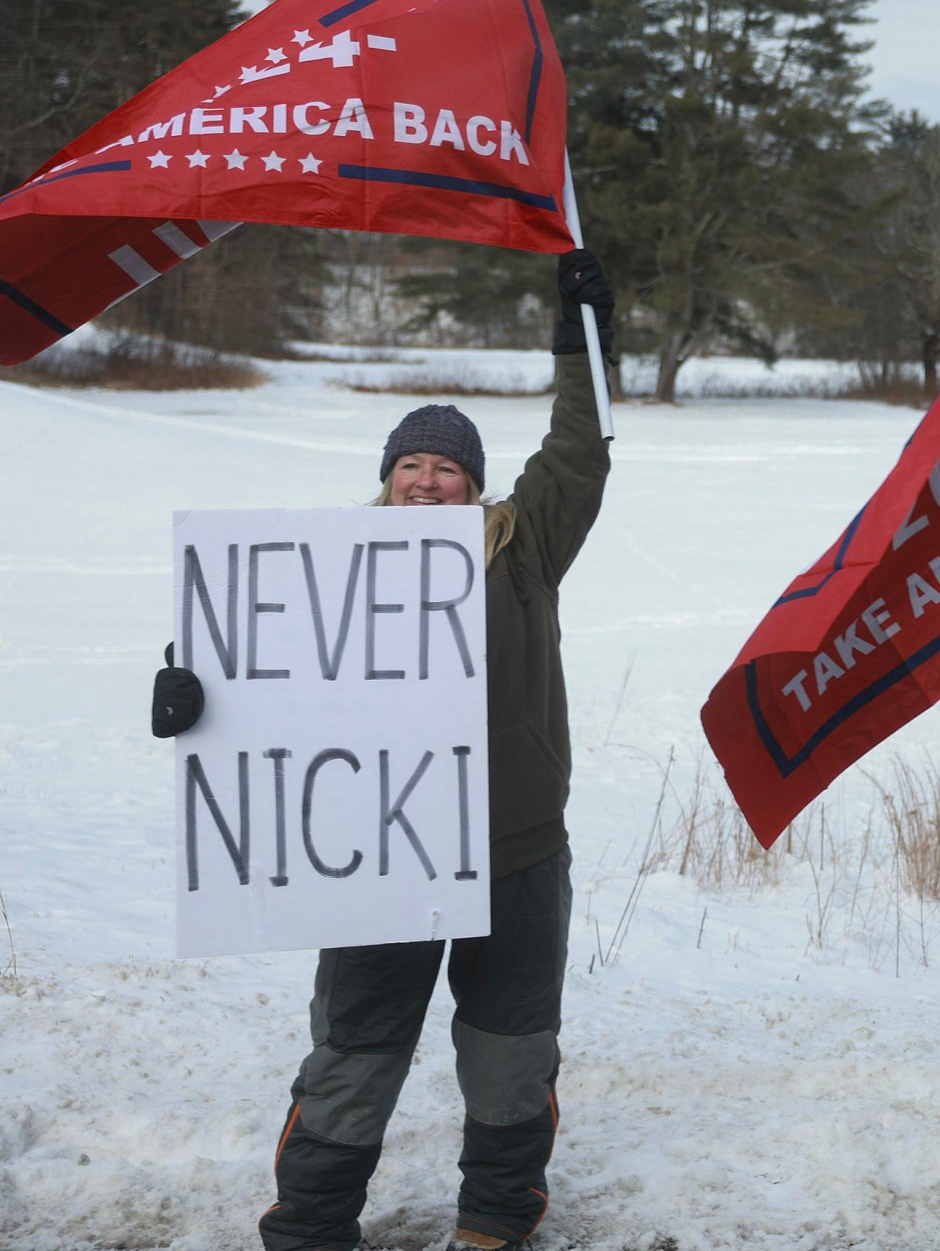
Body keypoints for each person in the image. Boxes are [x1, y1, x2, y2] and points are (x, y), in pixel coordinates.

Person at [152, 251, 616, 1251]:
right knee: (355, 1053)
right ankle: (312, 1225)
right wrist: (191, 698)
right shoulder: (323, 566)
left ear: (472, 485)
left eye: (447, 465)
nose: (426, 478)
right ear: (387, 477)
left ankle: (494, 1219)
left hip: (514, 848)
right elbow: (257, 683)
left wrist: (578, 340)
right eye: (411, 463)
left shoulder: (518, 545)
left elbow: (579, 453)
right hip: (376, 853)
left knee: (509, 1052)